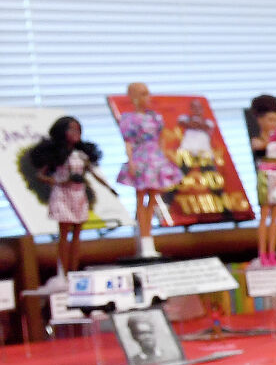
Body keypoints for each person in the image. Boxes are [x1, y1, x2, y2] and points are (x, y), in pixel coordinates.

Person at [27, 116, 106, 276]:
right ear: (62, 132)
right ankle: (62, 273)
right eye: (71, 129)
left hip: (79, 194)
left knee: (77, 235)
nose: (76, 133)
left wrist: (108, 187)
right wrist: (59, 181)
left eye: (78, 129)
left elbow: (93, 172)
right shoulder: (57, 155)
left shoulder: (81, 155)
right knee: (64, 235)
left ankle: (74, 271)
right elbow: (40, 175)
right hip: (63, 194)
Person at [114, 82, 182, 257]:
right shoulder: (129, 119)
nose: (147, 98)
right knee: (140, 199)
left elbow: (161, 139)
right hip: (140, 158)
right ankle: (143, 239)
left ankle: (149, 239)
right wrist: (130, 161)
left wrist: (164, 157)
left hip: (155, 159)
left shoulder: (155, 117)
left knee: (153, 200)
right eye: (143, 94)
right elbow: (128, 142)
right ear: (133, 97)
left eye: (147, 94)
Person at [248, 94, 276, 267]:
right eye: (270, 120)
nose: (273, 124)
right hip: (265, 176)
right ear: (260, 120)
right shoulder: (258, 140)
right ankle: (262, 253)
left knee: (275, 217)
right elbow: (260, 147)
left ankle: (272, 253)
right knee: (264, 216)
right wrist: (274, 138)